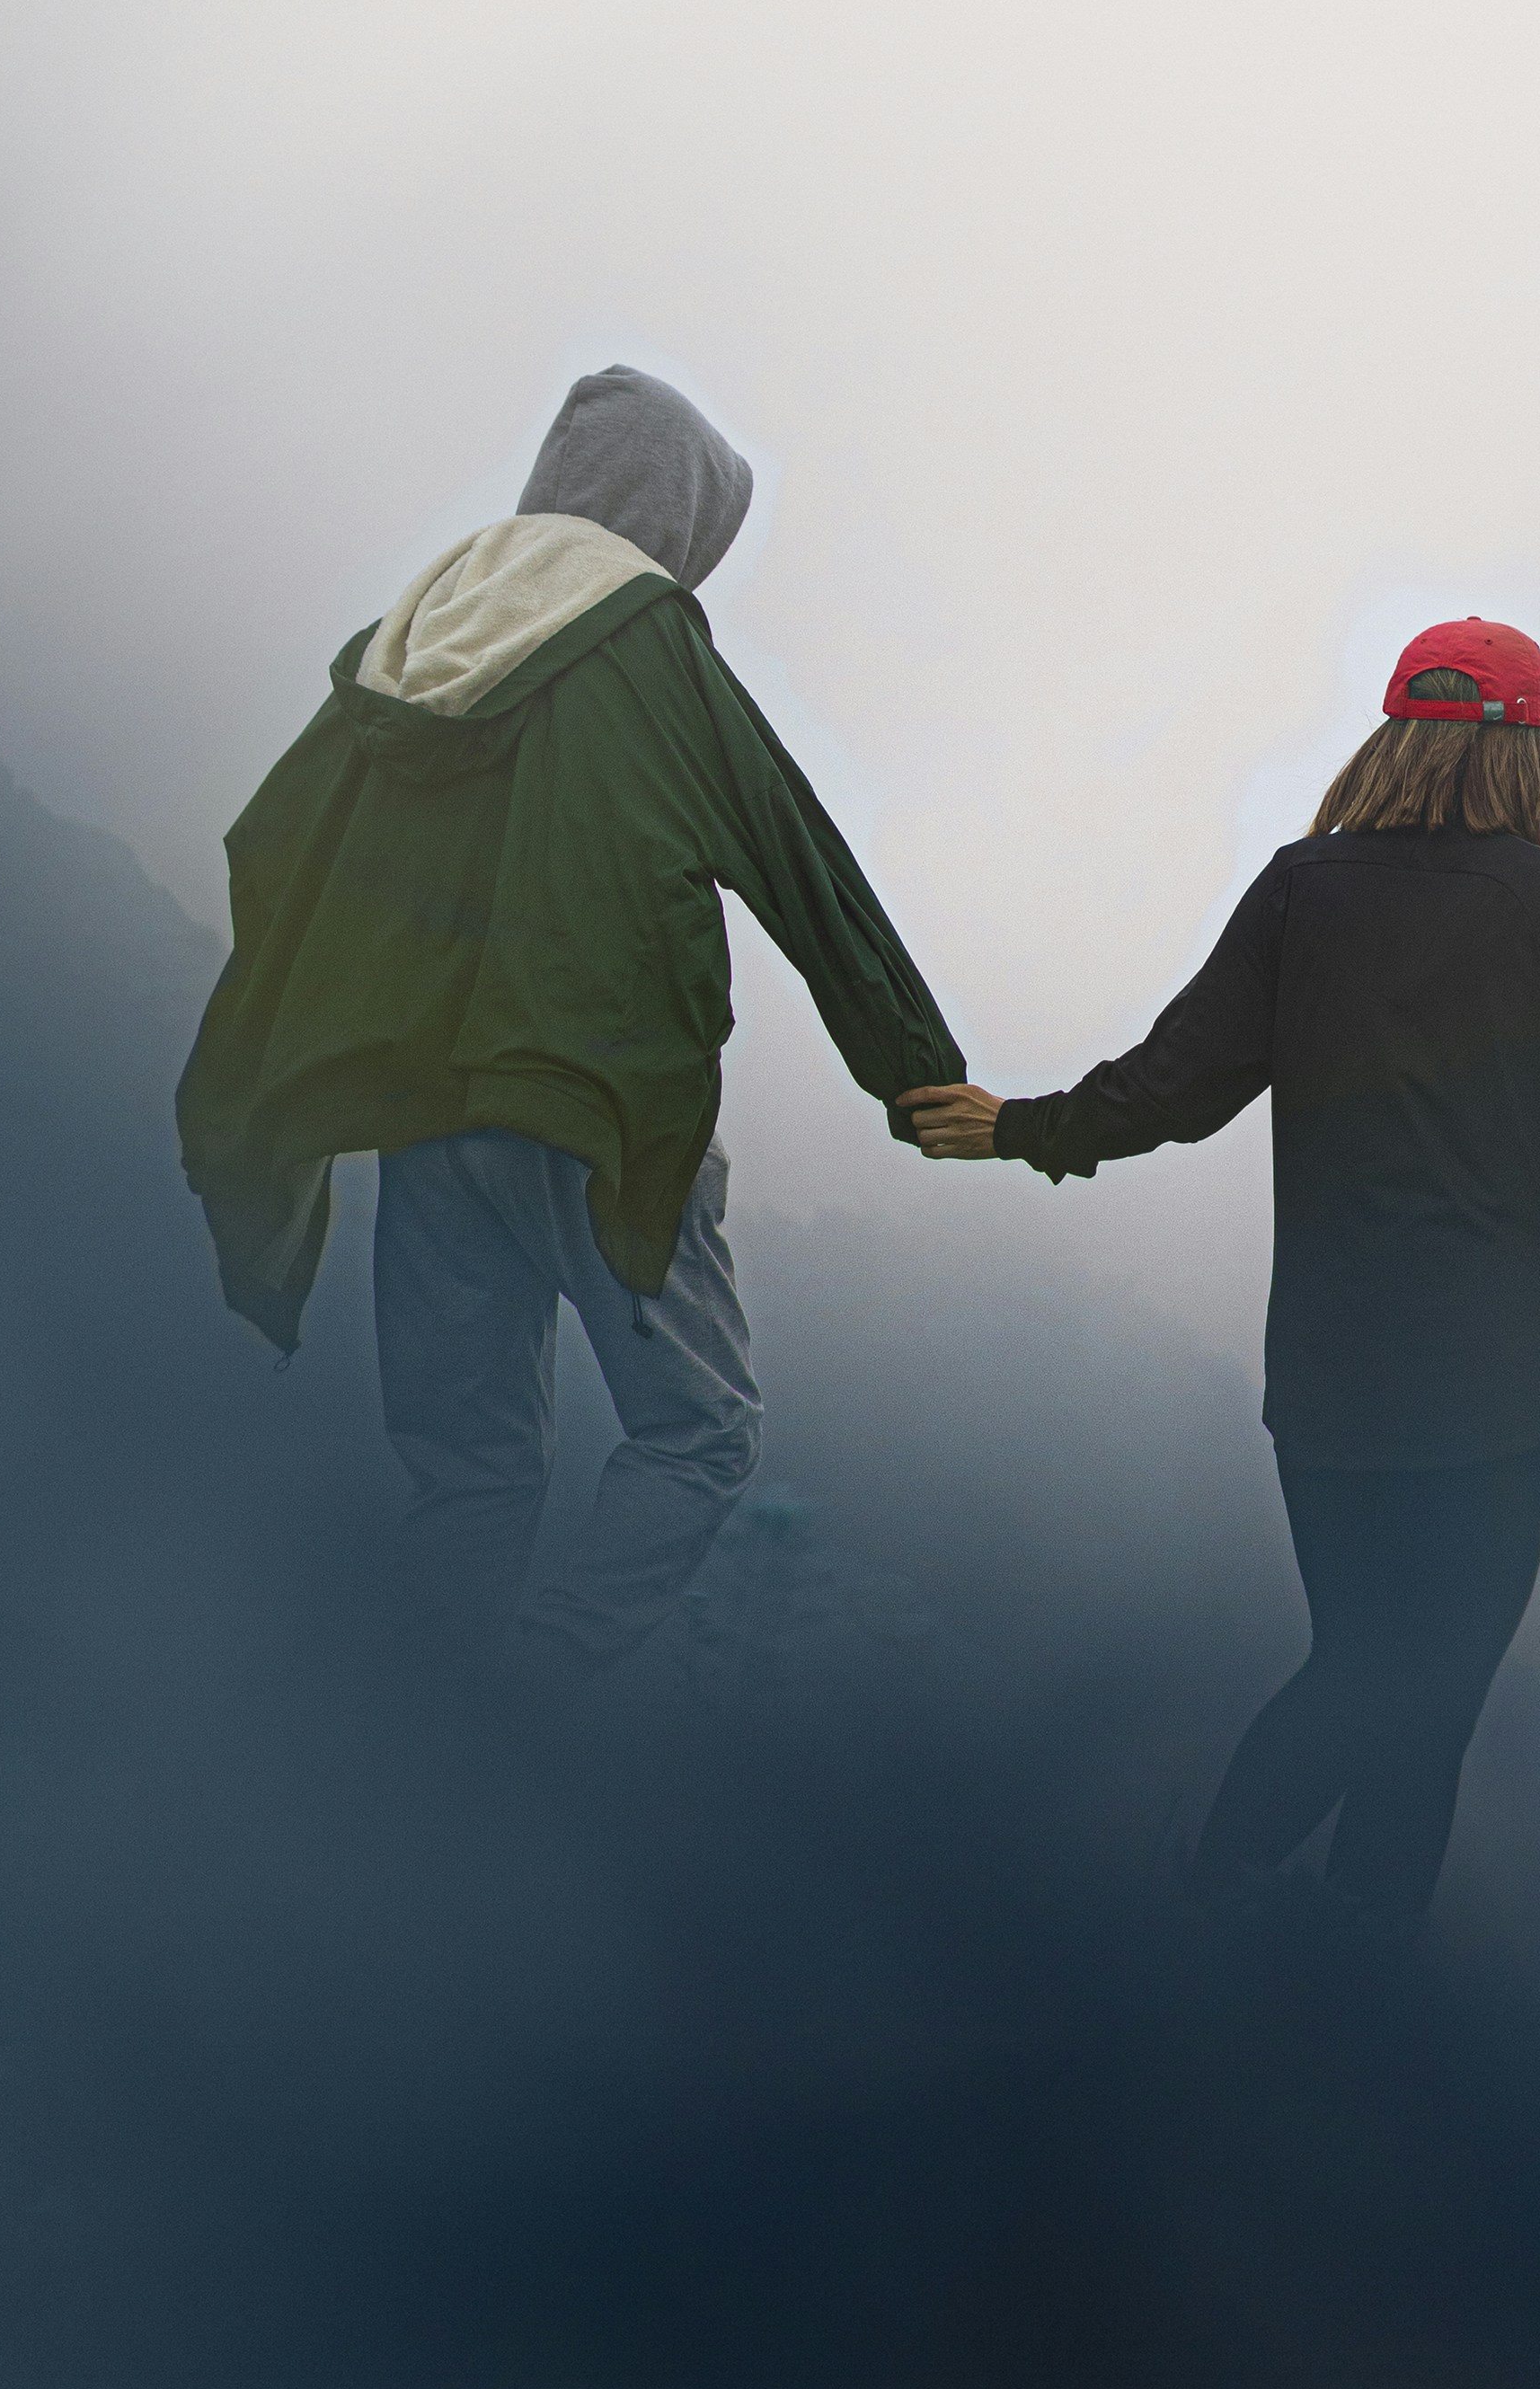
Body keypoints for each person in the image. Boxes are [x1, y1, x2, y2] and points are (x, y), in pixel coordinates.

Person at [900, 617, 1540, 1928]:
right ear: (1531, 753)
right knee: (1427, 1696)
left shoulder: (1301, 891)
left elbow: (1176, 1083)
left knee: (1365, 1664)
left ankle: (1221, 1929)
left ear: (1400, 736)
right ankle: (1282, 1940)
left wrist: (1024, 1127)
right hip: (1490, 1384)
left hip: (1328, 1374)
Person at [177, 365, 965, 1678]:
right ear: (678, 522)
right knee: (699, 1432)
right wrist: (918, 1077)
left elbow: (278, 843)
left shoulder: (409, 643)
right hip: (600, 1111)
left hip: (421, 1115)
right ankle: (547, 1688)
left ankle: (436, 1742)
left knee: (469, 1470)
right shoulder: (650, 643)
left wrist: (273, 1057)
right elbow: (794, 853)